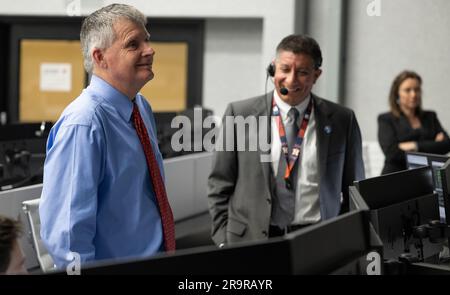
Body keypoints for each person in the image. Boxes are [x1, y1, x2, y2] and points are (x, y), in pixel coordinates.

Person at [39, 4, 175, 269]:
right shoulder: (83, 124)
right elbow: (67, 239)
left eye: (146, 39)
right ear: (100, 58)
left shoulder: (140, 107)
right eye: (133, 44)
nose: (150, 49)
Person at [208, 34, 365, 247]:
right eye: (285, 69)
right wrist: (222, 240)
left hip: (318, 240)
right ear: (273, 69)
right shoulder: (239, 114)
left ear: (316, 75)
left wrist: (345, 239)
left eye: (302, 72)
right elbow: (219, 184)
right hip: (250, 241)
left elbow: (354, 190)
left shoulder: (342, 120)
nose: (291, 80)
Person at [378, 70, 450, 174]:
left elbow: (446, 145)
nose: (413, 94)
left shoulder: (430, 116)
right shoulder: (386, 119)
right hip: (395, 176)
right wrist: (433, 144)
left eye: (417, 89)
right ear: (397, 94)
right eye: (407, 90)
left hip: (427, 177)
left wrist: (414, 145)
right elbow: (391, 153)